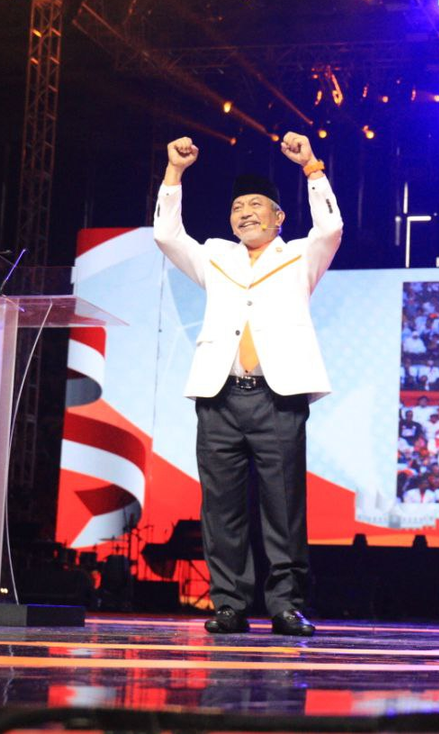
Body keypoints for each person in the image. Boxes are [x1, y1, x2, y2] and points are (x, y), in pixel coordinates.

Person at [153, 133, 342, 637]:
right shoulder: (216, 256)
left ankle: (285, 605)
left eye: (256, 205)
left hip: (277, 398)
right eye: (238, 206)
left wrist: (311, 168)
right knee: (221, 510)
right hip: (219, 398)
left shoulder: (301, 255)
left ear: (279, 217)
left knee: (283, 507)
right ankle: (229, 604)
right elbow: (168, 236)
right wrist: (175, 174)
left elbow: (332, 224)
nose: (245, 213)